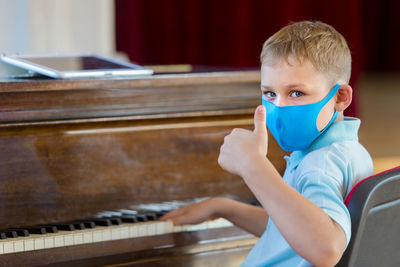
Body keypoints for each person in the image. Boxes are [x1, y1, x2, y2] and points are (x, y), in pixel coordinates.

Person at [160, 21, 373, 267]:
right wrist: (222, 207)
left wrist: (253, 166)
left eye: (296, 93)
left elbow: (325, 249)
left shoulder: (320, 166)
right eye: (270, 93)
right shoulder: (346, 151)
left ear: (340, 97)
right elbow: (289, 231)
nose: (279, 107)